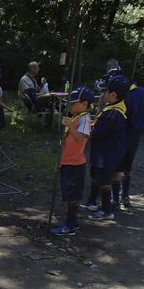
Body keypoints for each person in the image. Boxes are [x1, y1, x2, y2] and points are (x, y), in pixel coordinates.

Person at [80, 75, 130, 221]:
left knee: (103, 181)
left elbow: (99, 132)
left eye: (105, 91)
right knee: (95, 176)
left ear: (114, 94)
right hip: (102, 152)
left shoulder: (113, 113)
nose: (103, 94)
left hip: (107, 154)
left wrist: (85, 129)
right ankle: (92, 201)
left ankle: (106, 211)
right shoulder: (113, 108)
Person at [50, 87, 94, 236]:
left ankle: (70, 227)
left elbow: (80, 138)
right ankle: (71, 221)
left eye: (74, 103)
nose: (70, 106)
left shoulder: (85, 119)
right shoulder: (77, 117)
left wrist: (70, 126)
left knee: (72, 196)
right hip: (67, 161)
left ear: (84, 104)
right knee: (68, 193)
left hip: (75, 164)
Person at [111, 79, 144, 209]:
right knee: (127, 167)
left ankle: (115, 199)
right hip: (136, 135)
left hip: (124, 134)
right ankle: (125, 197)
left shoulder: (127, 97)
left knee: (117, 168)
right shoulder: (143, 92)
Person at [18, 61, 53, 126]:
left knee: (52, 103)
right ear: (32, 68)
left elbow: (36, 91)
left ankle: (47, 123)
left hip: (35, 98)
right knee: (52, 96)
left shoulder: (33, 79)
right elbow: (30, 94)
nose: (38, 69)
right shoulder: (24, 79)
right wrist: (42, 94)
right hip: (30, 101)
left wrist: (42, 85)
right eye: (37, 67)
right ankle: (65, 111)